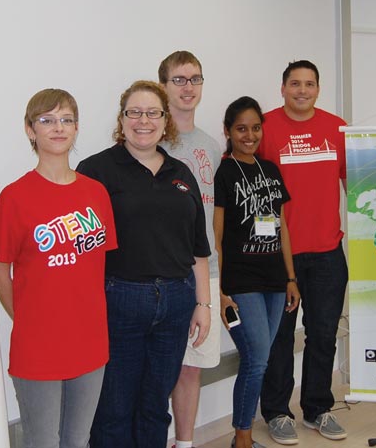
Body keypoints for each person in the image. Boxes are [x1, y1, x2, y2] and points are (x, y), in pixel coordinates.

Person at [77, 80, 212, 448]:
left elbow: (197, 248)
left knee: (155, 406)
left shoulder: (181, 173)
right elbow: (81, 248)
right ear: (121, 120)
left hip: (176, 302)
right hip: (119, 300)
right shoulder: (95, 171)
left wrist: (203, 305)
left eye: (153, 113)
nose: (143, 120)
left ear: (165, 120)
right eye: (134, 112)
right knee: (114, 409)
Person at [0, 89, 117, 448]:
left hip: (90, 341)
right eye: (47, 120)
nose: (58, 128)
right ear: (31, 130)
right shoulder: (14, 197)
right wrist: (29, 318)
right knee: (42, 441)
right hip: (38, 345)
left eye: (66, 120)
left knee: (77, 440)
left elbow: (98, 267)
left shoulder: (96, 193)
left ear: (76, 129)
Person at [259, 60, 348, 443]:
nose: (302, 90)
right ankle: (278, 412)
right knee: (278, 338)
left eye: (309, 84)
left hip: (328, 252)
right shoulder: (264, 128)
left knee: (323, 335)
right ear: (282, 88)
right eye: (295, 83)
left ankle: (317, 409)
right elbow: (251, 191)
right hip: (279, 255)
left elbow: (357, 184)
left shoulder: (337, 128)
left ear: (318, 89)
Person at [214, 96, 300, 448]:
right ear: (228, 132)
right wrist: (220, 290)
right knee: (257, 358)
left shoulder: (271, 169)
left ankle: (243, 435)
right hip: (241, 282)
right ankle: (243, 437)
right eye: (241, 128)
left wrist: (291, 278)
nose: (249, 135)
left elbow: (282, 228)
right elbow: (215, 236)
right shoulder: (224, 173)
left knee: (260, 358)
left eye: (254, 128)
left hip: (275, 281)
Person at [158, 50, 222, 448]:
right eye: (179, 80)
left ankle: (184, 443)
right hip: (161, 273)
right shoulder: (150, 140)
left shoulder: (212, 146)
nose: (188, 87)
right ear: (163, 85)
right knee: (157, 366)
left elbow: (214, 217)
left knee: (191, 367)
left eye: (195, 79)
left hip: (205, 273)